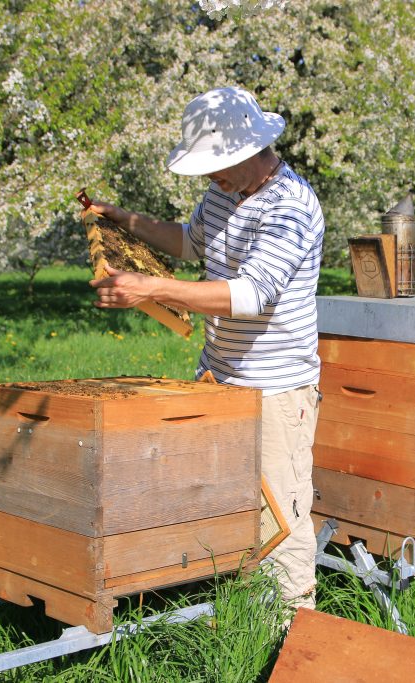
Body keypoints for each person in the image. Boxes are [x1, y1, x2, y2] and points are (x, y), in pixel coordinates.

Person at [87, 86, 325, 613]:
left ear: (250, 149)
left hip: (275, 389)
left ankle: (292, 639)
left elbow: (249, 294)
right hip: (219, 379)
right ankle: (234, 618)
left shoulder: (291, 204)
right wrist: (123, 219)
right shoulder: (224, 192)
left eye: (217, 166)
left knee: (280, 522)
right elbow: (191, 242)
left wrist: (150, 289)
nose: (208, 179)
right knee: (221, 508)